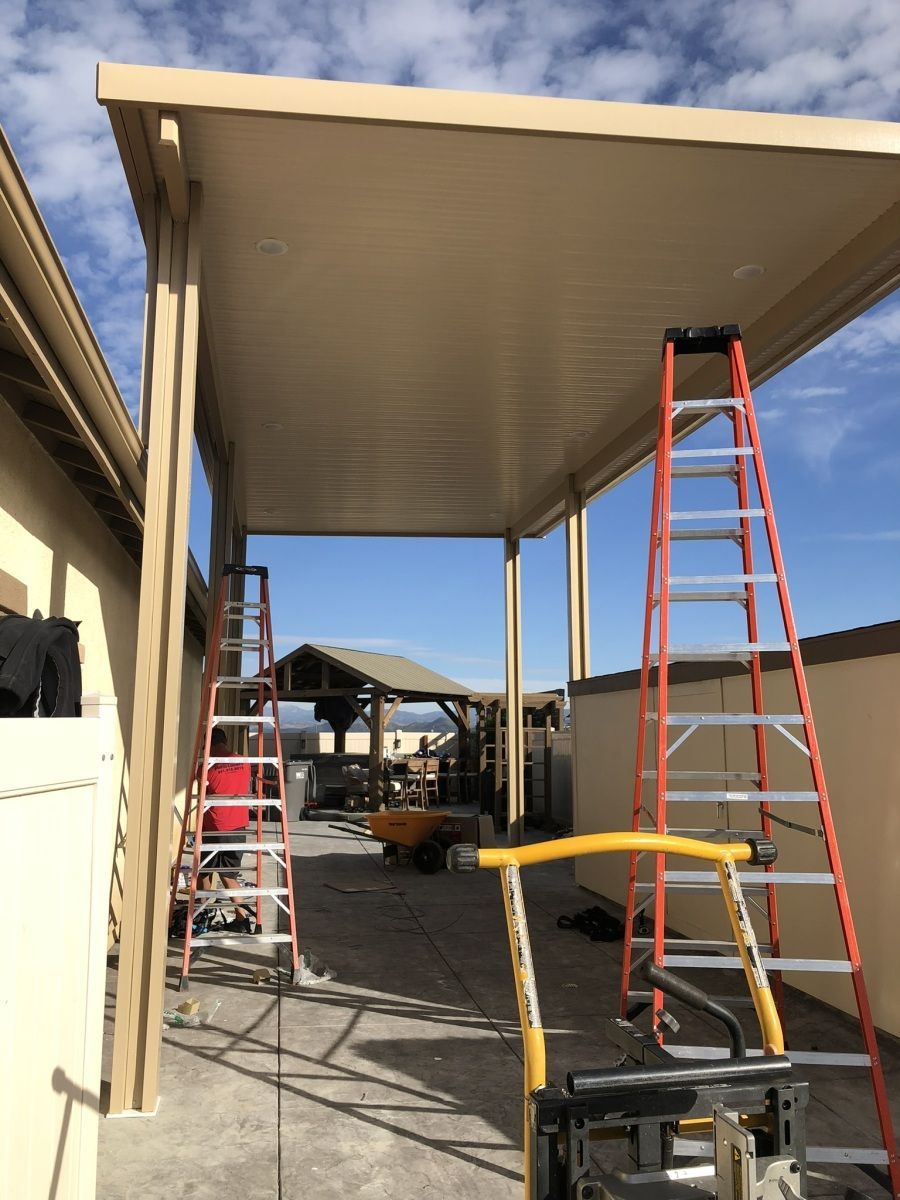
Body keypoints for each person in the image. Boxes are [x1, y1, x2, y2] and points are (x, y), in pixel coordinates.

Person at [199, 726, 253, 933]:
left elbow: (202, 786)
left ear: (209, 743)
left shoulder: (209, 765)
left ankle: (206, 911)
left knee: (207, 871)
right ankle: (240, 917)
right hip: (238, 824)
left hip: (216, 826)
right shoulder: (242, 761)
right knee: (228, 872)